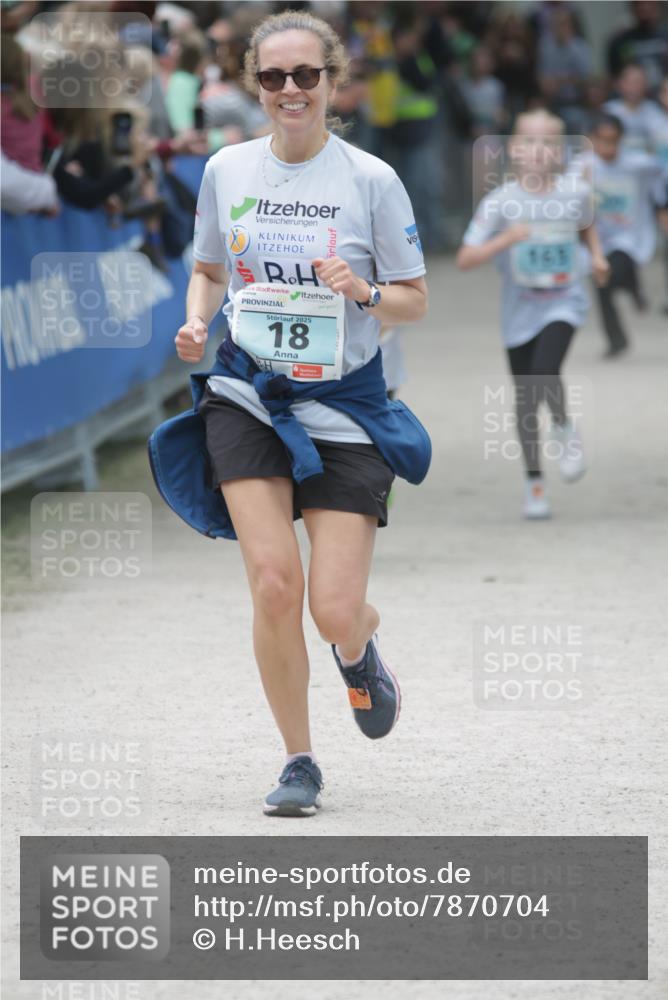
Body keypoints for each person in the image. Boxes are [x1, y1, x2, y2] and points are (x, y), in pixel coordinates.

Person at [169, 10, 429, 816]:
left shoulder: (371, 181)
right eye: (274, 77)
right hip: (248, 394)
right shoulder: (228, 169)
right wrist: (198, 317)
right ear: (256, 83)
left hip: (346, 403)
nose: (290, 90)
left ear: (331, 81)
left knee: (333, 607)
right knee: (275, 583)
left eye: (305, 76)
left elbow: (416, 301)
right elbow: (209, 267)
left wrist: (365, 292)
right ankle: (299, 761)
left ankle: (358, 652)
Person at [456, 110, 609, 520]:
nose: (538, 151)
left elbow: (586, 223)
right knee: (526, 400)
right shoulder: (501, 201)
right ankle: (534, 482)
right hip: (519, 308)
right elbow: (466, 257)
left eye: (548, 143)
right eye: (528, 142)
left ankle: (563, 428)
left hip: (565, 299)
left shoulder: (575, 191)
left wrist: (595, 256)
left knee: (545, 371)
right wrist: (507, 238)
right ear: (513, 149)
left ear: (560, 151)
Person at [578, 112, 665, 355]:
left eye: (613, 140)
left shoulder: (638, 163)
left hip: (630, 236)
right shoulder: (582, 166)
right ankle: (616, 339)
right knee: (602, 283)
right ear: (592, 139)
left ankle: (633, 286)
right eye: (602, 140)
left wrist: (661, 209)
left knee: (618, 267)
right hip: (597, 240)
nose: (608, 146)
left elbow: (661, 178)